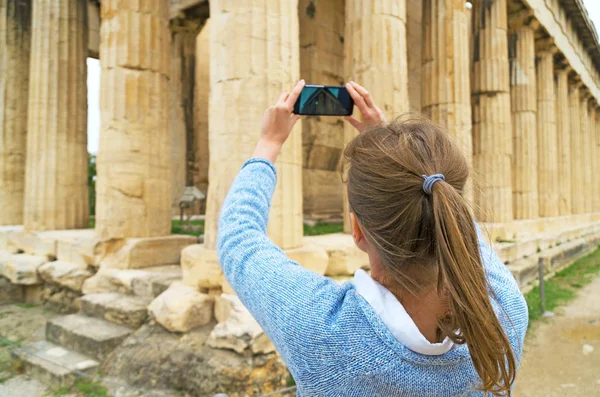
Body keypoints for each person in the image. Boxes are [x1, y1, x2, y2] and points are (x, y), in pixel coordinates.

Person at [217, 80, 528, 396]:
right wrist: (402, 159)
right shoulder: (505, 310)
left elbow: (238, 237)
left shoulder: (324, 330)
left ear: (357, 229)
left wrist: (269, 142)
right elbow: (453, 220)